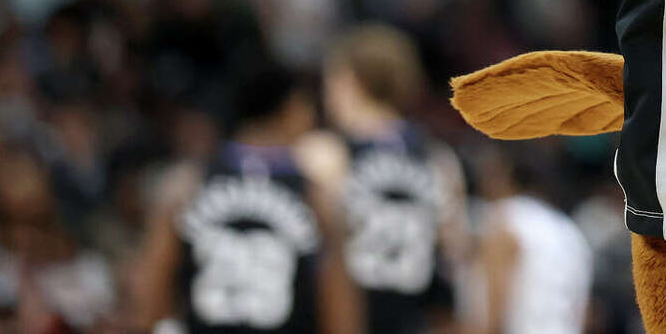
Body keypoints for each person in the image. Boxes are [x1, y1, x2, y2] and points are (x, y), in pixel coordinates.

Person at [131, 57, 358, 334]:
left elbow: (150, 288)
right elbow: (340, 304)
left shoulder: (188, 183)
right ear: (292, 108)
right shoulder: (315, 197)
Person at [296, 26, 467, 334]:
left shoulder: (324, 154)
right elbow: (452, 253)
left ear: (348, 80)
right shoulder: (438, 159)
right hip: (414, 317)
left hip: (346, 316)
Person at [471, 146, 591, 334]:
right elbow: (583, 313)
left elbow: (494, 314)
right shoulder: (570, 231)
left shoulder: (505, 221)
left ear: (506, 174)